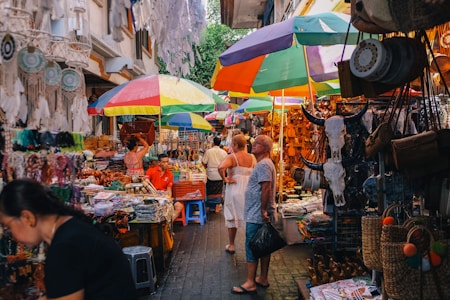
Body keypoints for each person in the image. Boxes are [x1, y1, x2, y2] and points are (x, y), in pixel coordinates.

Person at [0, 179, 138, 300]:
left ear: (27, 218)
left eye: (7, 227)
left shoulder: (64, 247)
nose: (10, 234)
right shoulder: (71, 228)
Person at [231, 134, 277, 295]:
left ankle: (250, 282)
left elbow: (266, 187)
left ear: (265, 148)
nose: (253, 145)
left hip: (257, 214)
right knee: (263, 246)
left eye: (257, 143)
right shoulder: (264, 163)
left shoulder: (263, 164)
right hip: (259, 212)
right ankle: (263, 278)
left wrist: (263, 210)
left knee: (252, 246)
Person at [218, 134, 256, 254]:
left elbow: (220, 167)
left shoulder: (232, 157)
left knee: (232, 216)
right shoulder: (252, 157)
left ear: (235, 145)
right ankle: (250, 244)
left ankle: (232, 245)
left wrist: (225, 179)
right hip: (249, 190)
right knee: (248, 217)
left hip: (235, 189)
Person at [145, 153, 184, 222]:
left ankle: (167, 224)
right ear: (159, 163)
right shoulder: (151, 171)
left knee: (179, 206)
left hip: (164, 196)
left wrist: (169, 198)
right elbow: (146, 182)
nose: (166, 164)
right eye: (164, 162)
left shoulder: (170, 174)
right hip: (152, 195)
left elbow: (169, 189)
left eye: (167, 162)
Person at [202, 137, 228, 212]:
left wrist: (205, 169)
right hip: (220, 174)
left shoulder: (208, 152)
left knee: (210, 191)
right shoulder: (224, 152)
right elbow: (226, 164)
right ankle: (217, 206)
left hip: (210, 174)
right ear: (220, 143)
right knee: (218, 191)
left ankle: (209, 206)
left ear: (213, 143)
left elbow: (204, 163)